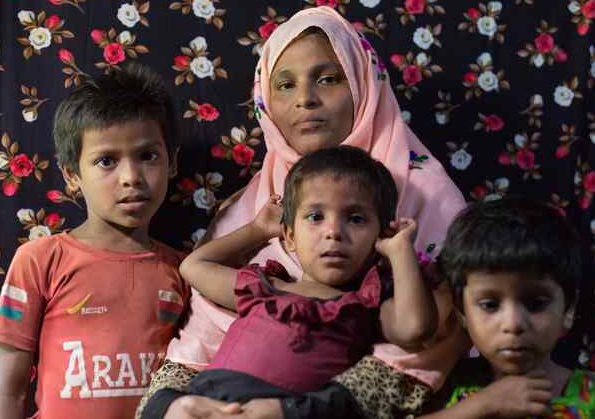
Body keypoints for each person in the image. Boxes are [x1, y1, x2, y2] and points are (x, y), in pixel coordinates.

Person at [137, 6, 468, 419]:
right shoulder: (252, 207)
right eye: (285, 85)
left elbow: (426, 338)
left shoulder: (426, 196)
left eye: (327, 79)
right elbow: (199, 340)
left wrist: (297, 411)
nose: (305, 100)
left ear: (364, 82)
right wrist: (167, 407)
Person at [0, 63, 190, 419]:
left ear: (172, 163)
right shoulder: (40, 260)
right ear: (72, 174)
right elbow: (8, 385)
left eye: (148, 156)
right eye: (106, 161)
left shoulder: (185, 270)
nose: (131, 177)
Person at [178, 145, 438, 405]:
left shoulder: (364, 306)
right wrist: (257, 230)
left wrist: (400, 251)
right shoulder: (264, 288)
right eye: (316, 216)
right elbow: (194, 266)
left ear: (381, 236)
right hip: (209, 398)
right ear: (290, 237)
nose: (333, 232)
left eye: (356, 219)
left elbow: (415, 329)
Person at [418, 197, 595, 419]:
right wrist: (483, 405)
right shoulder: (450, 382)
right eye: (490, 305)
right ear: (462, 312)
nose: (513, 323)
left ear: (568, 310)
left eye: (536, 304)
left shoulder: (592, 395)